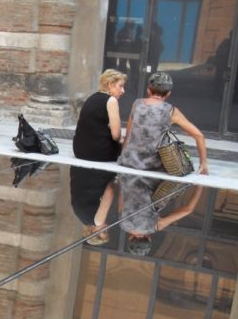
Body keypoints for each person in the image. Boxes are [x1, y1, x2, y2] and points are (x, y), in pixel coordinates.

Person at [117, 72, 208, 255]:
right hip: (151, 166)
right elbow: (199, 135)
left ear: (148, 90)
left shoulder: (137, 104)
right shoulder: (122, 222)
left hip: (129, 162)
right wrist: (203, 164)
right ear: (168, 94)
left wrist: (198, 187)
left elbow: (188, 209)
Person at [70, 69, 126, 245]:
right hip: (84, 152)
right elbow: (114, 133)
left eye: (104, 233)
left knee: (125, 144)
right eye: (121, 86)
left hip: (89, 152)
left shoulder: (98, 99)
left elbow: (109, 192)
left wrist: (115, 181)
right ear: (110, 85)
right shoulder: (78, 214)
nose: (122, 91)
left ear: (94, 231)